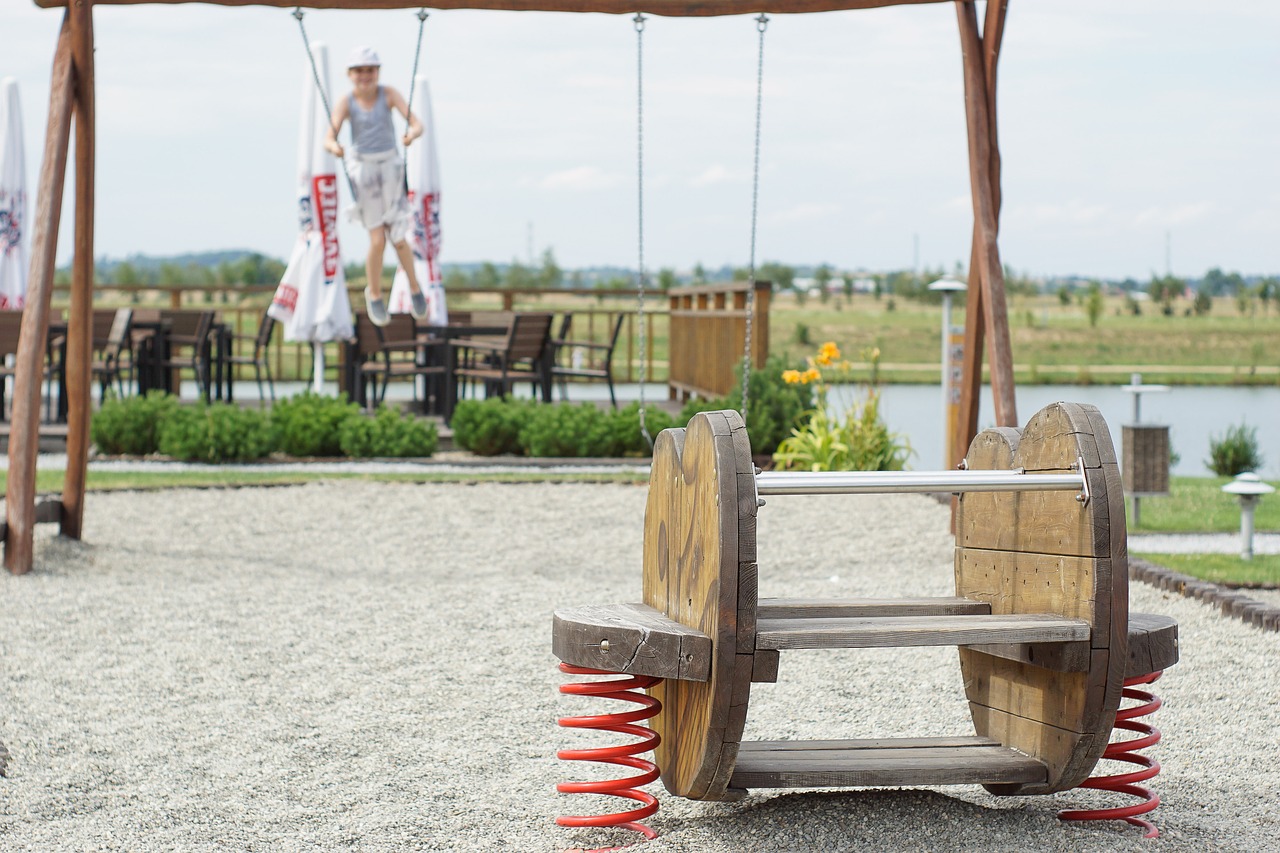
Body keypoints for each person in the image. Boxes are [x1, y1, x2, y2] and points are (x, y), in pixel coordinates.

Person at [325, 46, 427, 326]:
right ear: (350, 75)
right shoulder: (346, 102)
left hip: (391, 165)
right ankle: (374, 294)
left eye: (369, 70)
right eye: (359, 71)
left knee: (399, 237)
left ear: (377, 72)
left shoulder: (389, 94)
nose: (365, 76)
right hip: (364, 169)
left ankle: (416, 288)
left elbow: (417, 124)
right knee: (377, 239)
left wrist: (411, 134)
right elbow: (329, 135)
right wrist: (335, 147)